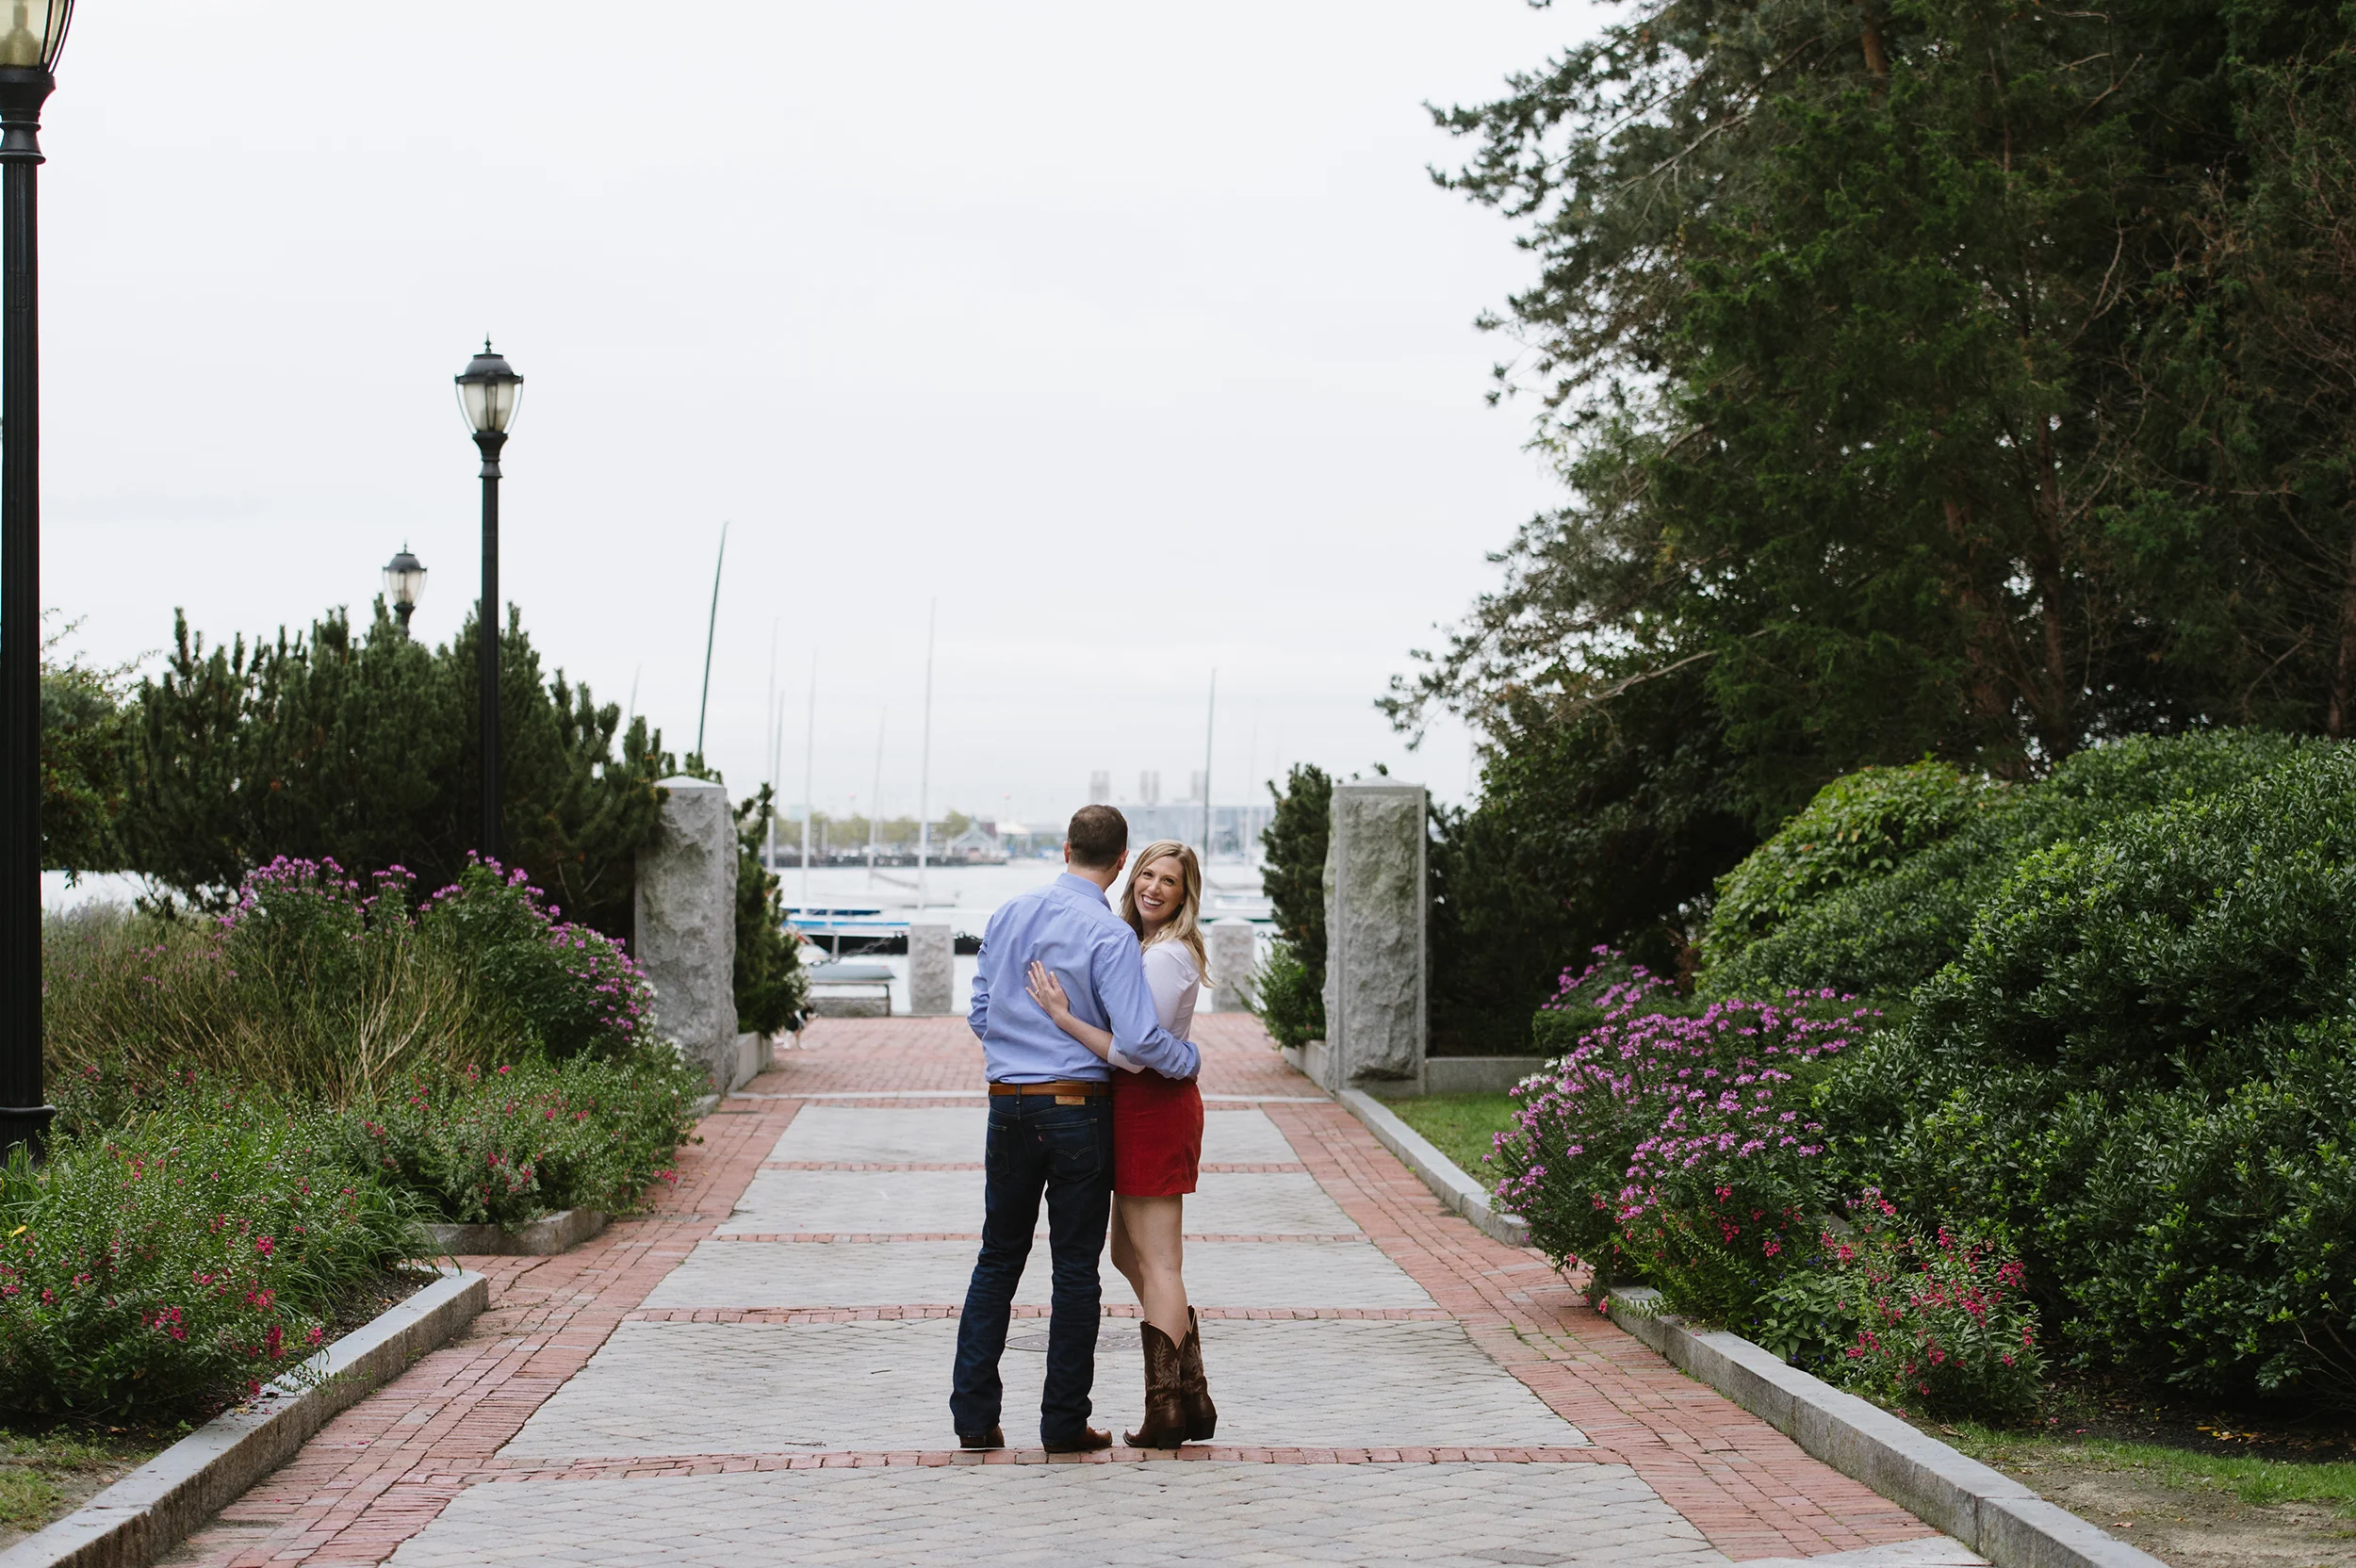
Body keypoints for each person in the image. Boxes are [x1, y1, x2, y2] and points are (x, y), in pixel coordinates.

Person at [950, 805, 1201, 1453]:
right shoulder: (1110, 935)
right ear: (1121, 864)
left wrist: (1018, 1044)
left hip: (1007, 1103)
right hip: (1077, 1108)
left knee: (997, 1259)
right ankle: (1063, 1424)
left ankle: (975, 1419)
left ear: (1065, 849)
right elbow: (1143, 1039)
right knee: (1073, 1270)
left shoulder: (1008, 914)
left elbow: (980, 1009)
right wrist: (1189, 1059)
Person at [1025, 838, 1217, 1448]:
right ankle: (1191, 1391)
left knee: (1159, 1262)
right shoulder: (1139, 944)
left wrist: (1062, 1017)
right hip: (1136, 1110)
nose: (1153, 888)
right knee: (1128, 1257)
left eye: (1169, 881)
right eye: (1146, 875)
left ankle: (1167, 1408)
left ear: (1186, 896)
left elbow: (1135, 1051)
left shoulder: (1166, 957)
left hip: (1153, 1108)